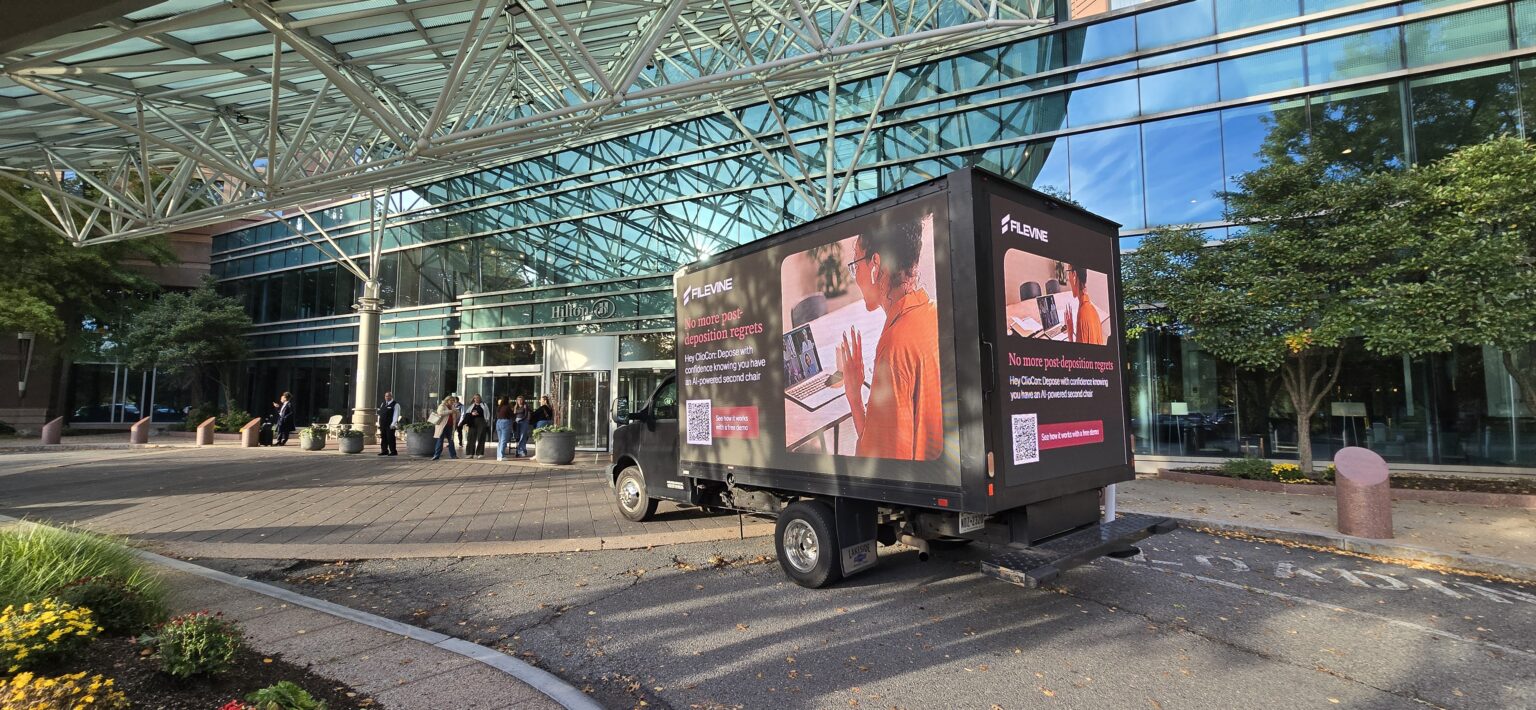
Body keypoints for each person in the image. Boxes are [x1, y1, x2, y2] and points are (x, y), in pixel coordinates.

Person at [835, 218, 943, 461]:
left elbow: (881, 462)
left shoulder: (894, 348)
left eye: (856, 265)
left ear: (875, 264)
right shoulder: (936, 313)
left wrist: (854, 397)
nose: (855, 277)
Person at [1063, 263, 1105, 346]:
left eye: (1068, 273)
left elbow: (1079, 354)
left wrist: (1070, 336)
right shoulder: (1090, 307)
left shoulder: (1083, 314)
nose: (1068, 278)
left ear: (1074, 275)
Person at [431, 395, 459, 460]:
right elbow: (440, 412)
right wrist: (450, 411)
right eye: (451, 400)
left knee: (451, 441)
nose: (452, 402)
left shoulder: (452, 407)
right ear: (447, 400)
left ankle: (453, 455)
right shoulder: (442, 405)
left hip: (450, 426)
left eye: (453, 401)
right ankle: (436, 455)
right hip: (442, 426)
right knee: (440, 440)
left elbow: (456, 415)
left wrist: (457, 412)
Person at [463, 394, 490, 458]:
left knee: (481, 437)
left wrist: (486, 420)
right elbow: (467, 413)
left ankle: (480, 453)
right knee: (471, 437)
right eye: (475, 398)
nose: (476, 399)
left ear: (480, 398)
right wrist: (472, 414)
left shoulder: (484, 405)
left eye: (478, 398)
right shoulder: (472, 405)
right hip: (473, 422)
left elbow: (487, 413)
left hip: (481, 421)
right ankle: (470, 453)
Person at [376, 391, 401, 456]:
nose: (387, 397)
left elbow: (396, 415)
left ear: (391, 396)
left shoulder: (395, 404)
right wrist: (379, 423)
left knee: (390, 438)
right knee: (383, 437)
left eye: (388, 396)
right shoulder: (383, 403)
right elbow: (380, 414)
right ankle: (384, 451)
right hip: (383, 424)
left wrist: (393, 424)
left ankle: (393, 451)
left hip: (390, 424)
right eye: (386, 396)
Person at [495, 397, 514, 462]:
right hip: (505, 422)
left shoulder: (499, 407)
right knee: (504, 440)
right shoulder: (507, 407)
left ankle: (498, 455)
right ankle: (501, 456)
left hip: (498, 422)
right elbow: (512, 415)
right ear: (507, 400)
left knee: (500, 440)